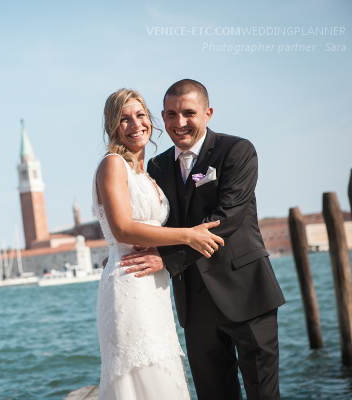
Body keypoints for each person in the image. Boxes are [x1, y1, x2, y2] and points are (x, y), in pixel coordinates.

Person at [119, 79, 286, 400]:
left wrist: (166, 259)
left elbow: (228, 218)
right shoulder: (156, 166)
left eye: (188, 113)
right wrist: (124, 249)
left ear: (208, 113)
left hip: (247, 294)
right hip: (194, 305)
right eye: (170, 114)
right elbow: (154, 220)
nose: (179, 123)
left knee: (264, 395)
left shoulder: (237, 151)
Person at [94, 88, 224, 400]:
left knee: (162, 369)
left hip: (156, 285)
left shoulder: (150, 173)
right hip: (129, 283)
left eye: (140, 115)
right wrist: (189, 235)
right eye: (123, 119)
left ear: (151, 121)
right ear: (113, 127)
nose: (134, 124)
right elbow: (124, 228)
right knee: (141, 376)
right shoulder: (112, 164)